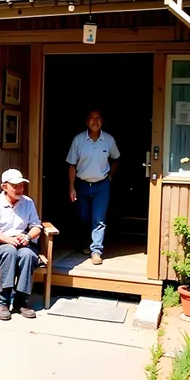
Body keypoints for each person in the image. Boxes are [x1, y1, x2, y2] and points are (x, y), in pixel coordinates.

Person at [0, 168, 42, 321]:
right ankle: (2, 302)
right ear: (4, 187)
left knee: (27, 254)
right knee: (10, 251)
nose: (19, 189)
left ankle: (21, 301)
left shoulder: (28, 202)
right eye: (15, 186)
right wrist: (8, 240)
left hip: (23, 243)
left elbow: (37, 226)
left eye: (21, 185)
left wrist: (27, 236)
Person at [66, 109, 120, 265]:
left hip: (102, 185)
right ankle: (85, 244)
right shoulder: (78, 140)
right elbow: (72, 165)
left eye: (98, 118)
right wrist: (71, 187)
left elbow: (117, 158)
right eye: (91, 118)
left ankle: (96, 251)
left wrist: (110, 177)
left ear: (102, 121)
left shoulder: (109, 140)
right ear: (86, 122)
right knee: (84, 216)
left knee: (99, 219)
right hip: (82, 185)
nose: (95, 121)